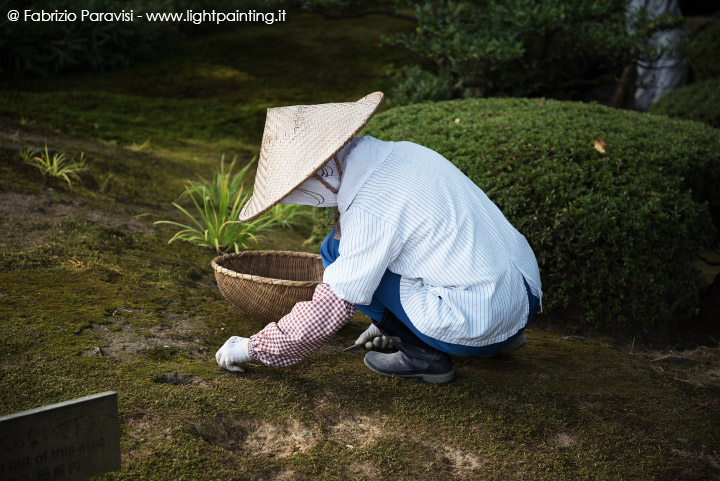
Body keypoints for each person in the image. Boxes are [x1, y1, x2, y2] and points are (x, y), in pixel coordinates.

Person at [215, 92, 542, 383]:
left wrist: (250, 347)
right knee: (345, 251)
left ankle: (423, 356)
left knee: (336, 252)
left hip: (478, 320)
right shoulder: (405, 152)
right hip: (520, 299)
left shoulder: (369, 209)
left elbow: (333, 306)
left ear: (321, 171)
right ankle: (488, 337)